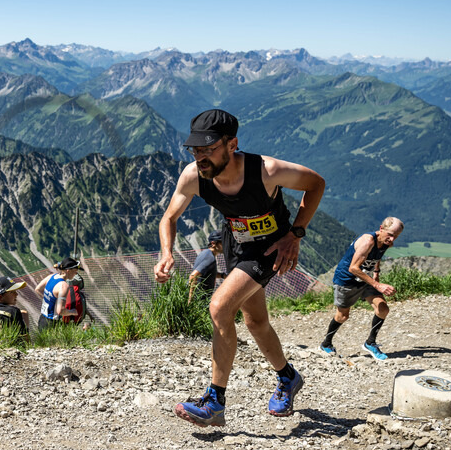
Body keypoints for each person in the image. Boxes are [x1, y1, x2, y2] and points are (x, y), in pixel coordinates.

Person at [154, 109, 325, 427]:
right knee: (255, 322)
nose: (200, 157)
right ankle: (288, 377)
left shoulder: (267, 170)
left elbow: (316, 184)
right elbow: (169, 217)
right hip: (236, 246)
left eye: (208, 149)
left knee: (220, 307)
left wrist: (295, 234)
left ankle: (214, 402)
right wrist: (166, 253)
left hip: (270, 248)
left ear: (232, 144)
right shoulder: (193, 176)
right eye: (195, 150)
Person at [320, 217, 404, 361]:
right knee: (342, 316)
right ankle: (326, 344)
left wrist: (376, 272)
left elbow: (377, 256)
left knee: (383, 309)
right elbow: (353, 268)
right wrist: (377, 285)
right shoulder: (367, 241)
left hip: (365, 279)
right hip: (346, 280)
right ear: (381, 228)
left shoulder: (385, 242)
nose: (392, 239)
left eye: (396, 236)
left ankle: (370, 343)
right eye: (390, 234)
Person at [34, 257, 81, 329]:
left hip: (42, 318)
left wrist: (49, 299)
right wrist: (73, 312)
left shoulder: (51, 276)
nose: (76, 274)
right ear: (68, 271)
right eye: (75, 271)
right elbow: (61, 311)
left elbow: (37, 289)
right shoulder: (63, 286)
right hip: (52, 323)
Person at [0, 276, 30, 343]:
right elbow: (23, 335)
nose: (16, 294)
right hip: (11, 345)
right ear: (0, 297)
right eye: (12, 292)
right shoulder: (14, 311)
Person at [187, 230, 225, 303]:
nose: (225, 245)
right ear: (213, 243)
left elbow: (206, 273)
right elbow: (193, 276)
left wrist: (222, 275)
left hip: (200, 300)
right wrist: (191, 299)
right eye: (222, 242)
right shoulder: (210, 258)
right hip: (199, 301)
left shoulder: (206, 253)